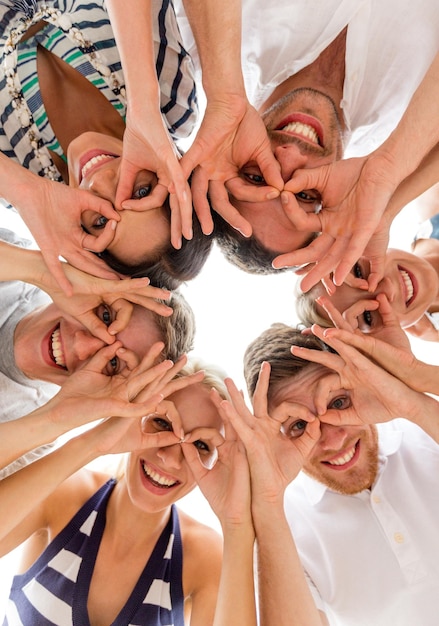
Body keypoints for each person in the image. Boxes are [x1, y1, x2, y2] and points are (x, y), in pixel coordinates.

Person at [175, 0, 439, 279]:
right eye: (305, 194)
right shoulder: (407, 127)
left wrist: (225, 95)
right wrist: (388, 173)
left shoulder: (206, 45)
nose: (290, 156)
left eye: (256, 176)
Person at [0, 359, 257, 626]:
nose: (171, 459)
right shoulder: (65, 493)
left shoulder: (205, 557)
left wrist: (237, 523)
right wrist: (93, 444)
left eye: (201, 445)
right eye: (162, 423)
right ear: (133, 416)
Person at [0, 0, 211, 292]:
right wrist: (143, 101)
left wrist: (24, 190)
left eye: (100, 220)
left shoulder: (20, 184)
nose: (100, 182)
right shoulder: (171, 104)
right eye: (140, 191)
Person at [241, 320, 439, 625]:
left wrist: (414, 405)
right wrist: (267, 499)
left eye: (338, 402)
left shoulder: (427, 431)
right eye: (299, 426)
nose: (334, 439)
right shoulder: (284, 528)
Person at [0, 227, 195, 477]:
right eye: (105, 316)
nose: (82, 346)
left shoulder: (33, 436)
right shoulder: (18, 261)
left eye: (113, 363)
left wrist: (54, 420)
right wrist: (42, 271)